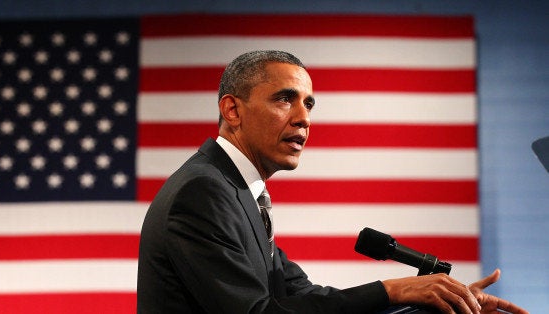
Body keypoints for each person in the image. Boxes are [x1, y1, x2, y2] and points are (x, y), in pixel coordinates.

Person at [137, 50, 528, 313]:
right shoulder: (204, 192)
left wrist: (432, 304)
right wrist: (392, 289)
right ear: (232, 109)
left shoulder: (240, 193)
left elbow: (300, 298)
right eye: (284, 99)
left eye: (308, 103)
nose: (304, 117)